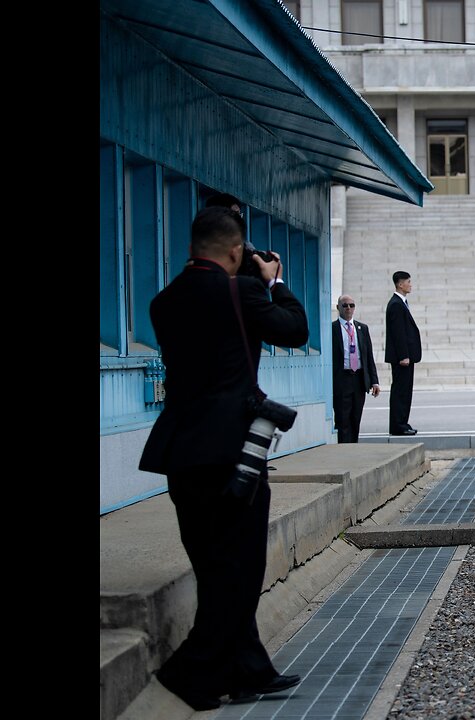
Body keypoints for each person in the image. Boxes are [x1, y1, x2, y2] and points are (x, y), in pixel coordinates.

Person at [138, 206, 308, 710]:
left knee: (214, 563)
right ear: (237, 251)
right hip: (233, 451)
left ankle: (248, 669)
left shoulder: (163, 301)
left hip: (180, 448)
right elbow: (294, 330)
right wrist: (275, 282)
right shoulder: (245, 290)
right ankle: (192, 673)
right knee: (240, 567)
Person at [332, 294, 380, 443]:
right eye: (345, 305)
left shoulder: (361, 328)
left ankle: (354, 446)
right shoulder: (332, 329)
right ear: (338, 307)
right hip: (342, 378)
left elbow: (368, 356)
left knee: (355, 417)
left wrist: (374, 381)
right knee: (342, 418)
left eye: (351, 305)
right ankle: (343, 448)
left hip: (358, 378)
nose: (348, 308)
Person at [385, 271, 422, 436]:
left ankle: (403, 423)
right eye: (408, 281)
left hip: (406, 356)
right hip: (402, 358)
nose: (410, 284)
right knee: (400, 391)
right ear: (400, 284)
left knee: (406, 391)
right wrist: (403, 355)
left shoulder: (401, 303)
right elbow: (398, 333)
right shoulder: (396, 304)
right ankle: (398, 425)